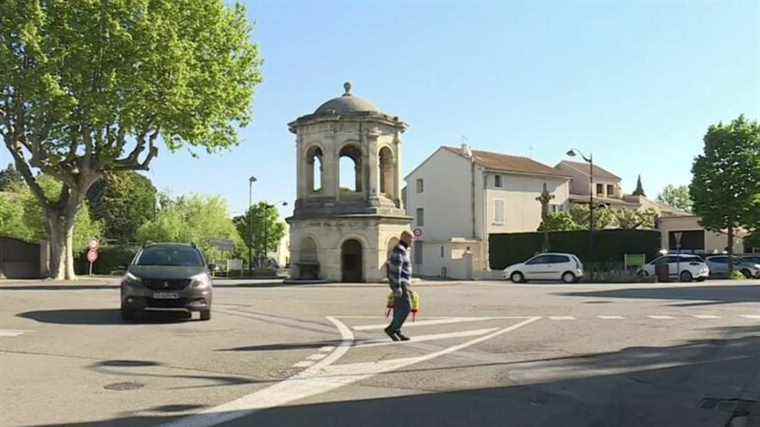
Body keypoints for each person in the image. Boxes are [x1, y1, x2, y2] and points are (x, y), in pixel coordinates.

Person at [385, 230, 414, 341]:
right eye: (411, 238)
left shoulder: (403, 250)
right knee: (407, 308)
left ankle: (397, 331)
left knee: (398, 309)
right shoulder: (399, 251)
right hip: (400, 284)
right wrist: (397, 287)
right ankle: (391, 329)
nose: (413, 241)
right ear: (405, 238)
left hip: (403, 283)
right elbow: (395, 270)